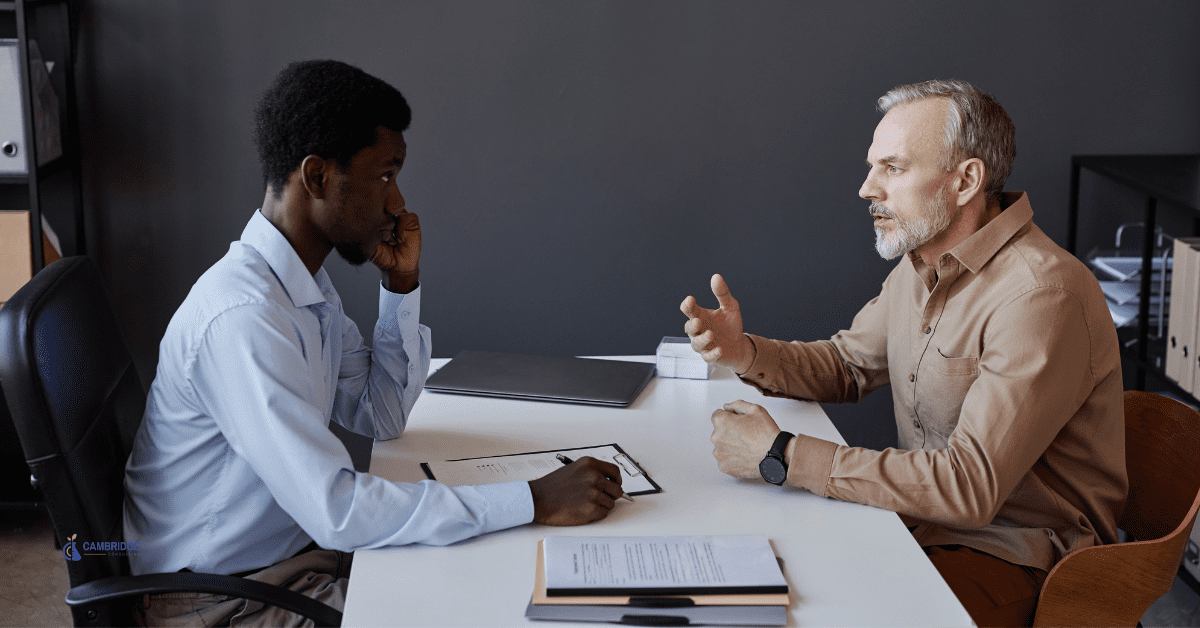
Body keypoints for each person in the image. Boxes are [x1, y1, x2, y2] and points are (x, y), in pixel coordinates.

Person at [123, 60, 624, 627]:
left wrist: (401, 285)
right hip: (216, 599)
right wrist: (534, 499)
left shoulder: (304, 287)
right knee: (483, 610)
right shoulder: (245, 319)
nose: (396, 201)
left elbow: (380, 415)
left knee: (495, 574)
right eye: (385, 175)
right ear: (317, 179)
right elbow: (339, 511)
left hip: (289, 560)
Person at [680, 79, 1127, 627]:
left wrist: (783, 455)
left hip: (1021, 558)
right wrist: (743, 352)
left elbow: (968, 487)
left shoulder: (1040, 295)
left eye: (892, 168)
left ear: (965, 180)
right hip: (922, 526)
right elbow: (847, 365)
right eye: (873, 168)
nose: (867, 188)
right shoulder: (922, 265)